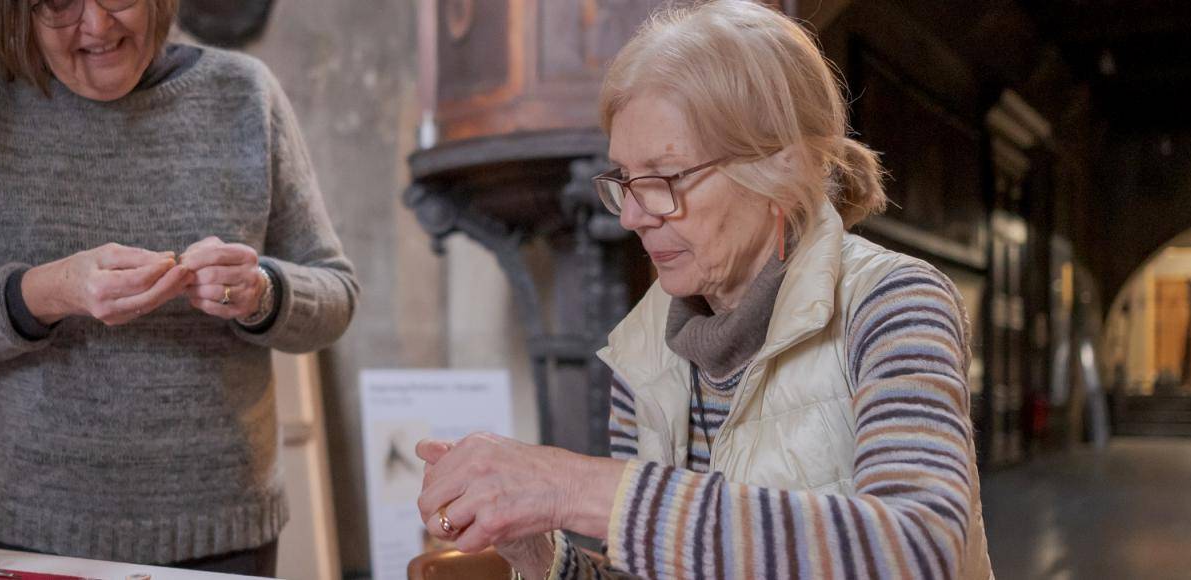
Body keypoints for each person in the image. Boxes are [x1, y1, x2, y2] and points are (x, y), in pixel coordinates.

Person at [412, 2, 992, 578]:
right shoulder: (642, 346)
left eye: (663, 178)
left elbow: (919, 549)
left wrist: (572, 486)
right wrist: (541, 555)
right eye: (624, 181)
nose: (632, 216)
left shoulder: (895, 303)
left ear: (777, 171)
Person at [0, 0, 357, 575]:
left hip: (222, 530)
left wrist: (261, 292)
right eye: (58, 5)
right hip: (21, 531)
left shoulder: (244, 95)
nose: (98, 25)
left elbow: (336, 295)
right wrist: (47, 293)